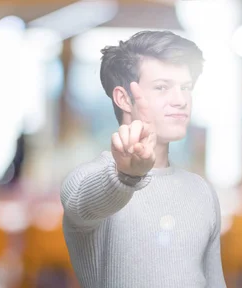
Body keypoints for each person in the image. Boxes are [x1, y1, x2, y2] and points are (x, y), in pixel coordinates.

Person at [61, 31, 227, 288]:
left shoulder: (202, 191)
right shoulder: (85, 179)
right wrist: (127, 177)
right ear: (123, 98)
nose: (181, 100)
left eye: (185, 88)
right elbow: (82, 203)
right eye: (162, 87)